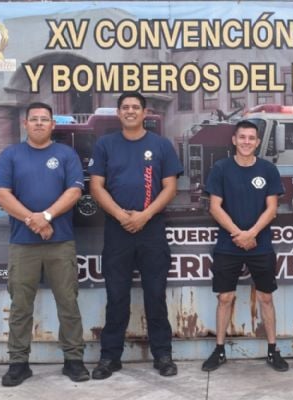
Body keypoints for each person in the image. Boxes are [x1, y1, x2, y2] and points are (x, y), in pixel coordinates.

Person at [0, 102, 89, 386]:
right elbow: (1, 194)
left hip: (60, 243)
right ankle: (18, 363)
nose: (38, 123)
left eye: (43, 119)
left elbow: (75, 191)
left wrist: (46, 216)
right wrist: (33, 220)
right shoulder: (11, 155)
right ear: (25, 124)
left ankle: (74, 360)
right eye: (33, 119)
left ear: (52, 124)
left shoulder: (65, 154)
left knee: (68, 303)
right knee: (21, 306)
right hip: (22, 244)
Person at [88, 92, 183, 379]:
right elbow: (96, 187)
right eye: (125, 107)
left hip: (151, 228)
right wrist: (120, 215)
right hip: (117, 230)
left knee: (155, 295)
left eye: (135, 108)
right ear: (118, 113)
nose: (130, 111)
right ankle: (109, 358)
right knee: (116, 296)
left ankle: (163, 355)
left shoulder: (161, 145)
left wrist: (144, 215)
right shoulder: (105, 145)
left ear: (144, 113)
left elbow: (169, 188)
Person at [200, 120, 289, 373]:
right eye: (242, 137)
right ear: (234, 140)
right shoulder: (221, 168)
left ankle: (273, 351)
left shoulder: (268, 169)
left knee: (266, 298)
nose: (247, 142)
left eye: (251, 138)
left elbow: (272, 208)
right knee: (225, 298)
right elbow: (214, 206)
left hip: (260, 245)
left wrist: (252, 233)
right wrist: (238, 233)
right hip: (228, 245)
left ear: (258, 142)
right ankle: (219, 351)